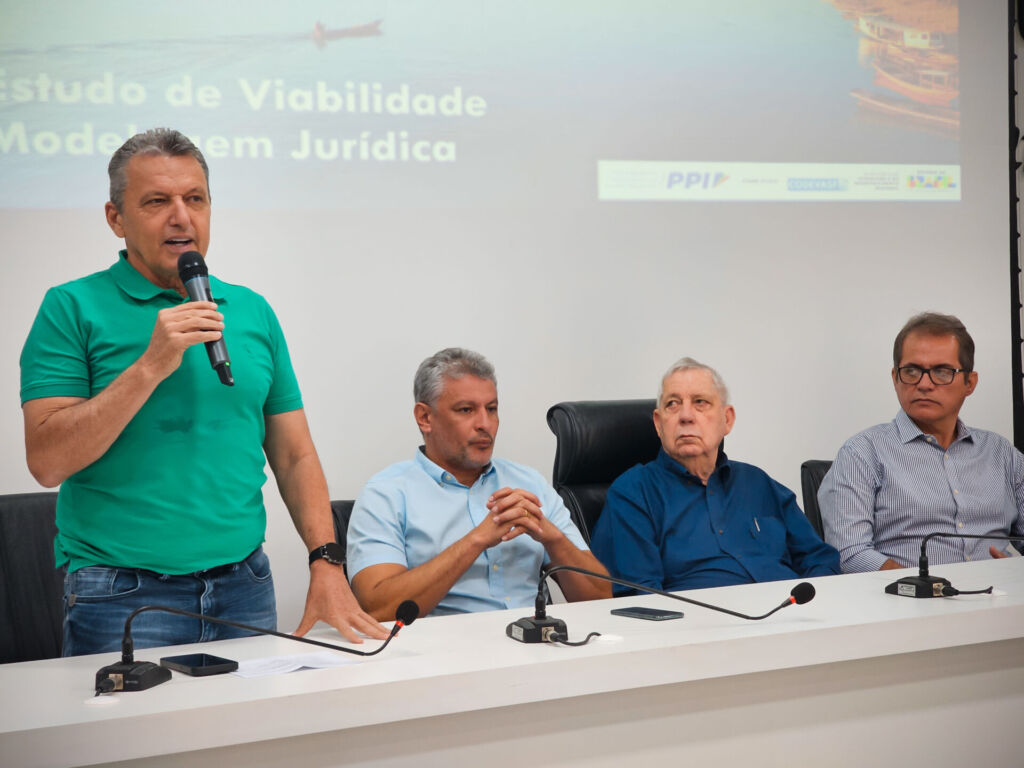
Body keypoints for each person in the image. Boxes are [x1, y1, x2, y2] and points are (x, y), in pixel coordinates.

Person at [20, 127, 386, 656]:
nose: (181, 217)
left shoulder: (251, 310)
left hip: (245, 585)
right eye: (156, 201)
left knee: (251, 739)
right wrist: (149, 366)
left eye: (195, 199)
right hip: (124, 596)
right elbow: (48, 461)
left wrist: (326, 561)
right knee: (132, 742)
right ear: (115, 218)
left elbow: (294, 453)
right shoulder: (71, 308)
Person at [346, 348, 611, 618]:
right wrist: (476, 540)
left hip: (536, 645)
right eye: (466, 410)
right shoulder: (386, 494)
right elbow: (378, 608)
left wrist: (552, 537)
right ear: (425, 418)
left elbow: (600, 598)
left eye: (492, 409)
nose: (485, 424)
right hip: (444, 653)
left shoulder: (529, 483)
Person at [590, 357, 839, 595]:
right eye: (672, 404)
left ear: (726, 419)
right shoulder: (634, 493)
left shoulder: (758, 483)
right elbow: (642, 597)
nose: (685, 416)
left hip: (789, 621)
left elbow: (819, 560)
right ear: (658, 423)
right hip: (698, 630)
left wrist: (814, 606)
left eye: (700, 402)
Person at [819, 312, 1024, 572]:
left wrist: (1016, 576)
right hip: (908, 603)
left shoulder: (1001, 453)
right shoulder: (862, 453)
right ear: (895, 378)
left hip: (1002, 599)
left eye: (941, 371)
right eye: (912, 371)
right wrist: (922, 586)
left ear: (969, 382)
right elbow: (849, 554)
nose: (924, 384)